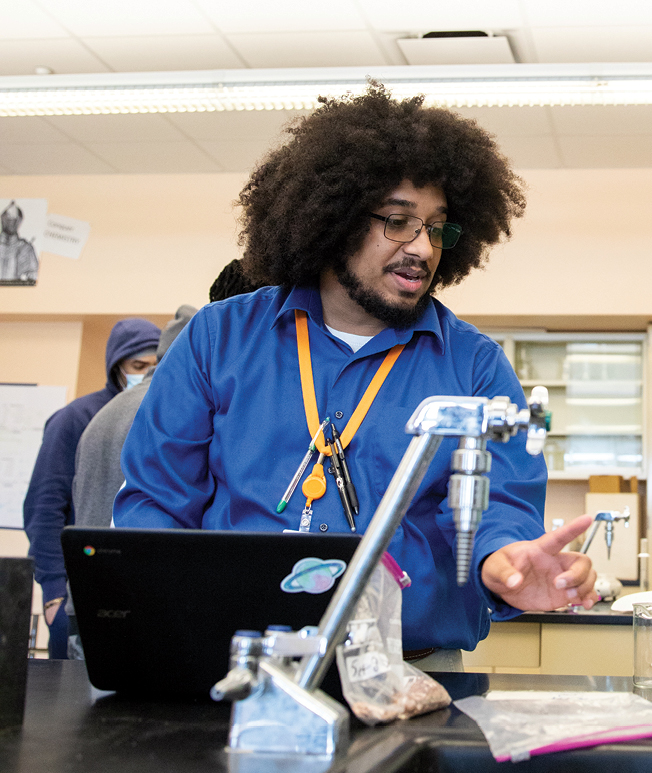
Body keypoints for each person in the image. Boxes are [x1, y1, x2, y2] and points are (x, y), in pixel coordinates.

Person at [113, 85, 598, 671]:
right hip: (239, 664)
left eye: (438, 228)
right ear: (333, 218)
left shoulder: (473, 364)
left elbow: (501, 502)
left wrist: (506, 559)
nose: (422, 247)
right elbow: (156, 503)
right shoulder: (220, 339)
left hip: (415, 668)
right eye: (397, 221)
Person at [24, 317, 161, 658]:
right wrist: (55, 591)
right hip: (72, 598)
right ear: (117, 367)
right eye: (137, 365)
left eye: (155, 366)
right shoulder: (77, 417)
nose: (146, 374)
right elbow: (44, 508)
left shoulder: (158, 414)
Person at [0, 201, 39, 284]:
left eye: (14, 220)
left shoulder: (26, 248)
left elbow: (34, 277)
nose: (11, 223)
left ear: (18, 221)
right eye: (8, 219)